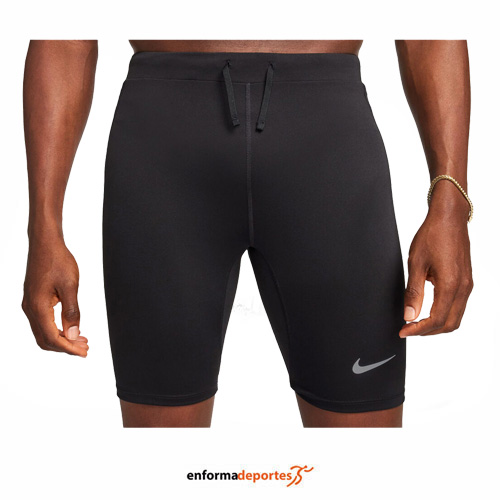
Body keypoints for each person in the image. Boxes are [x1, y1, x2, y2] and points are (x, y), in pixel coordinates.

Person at [22, 40, 473, 428]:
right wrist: (44, 229)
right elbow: (64, 35)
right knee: (161, 463)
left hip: (328, 148)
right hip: (163, 156)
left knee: (365, 463)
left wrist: (450, 204)